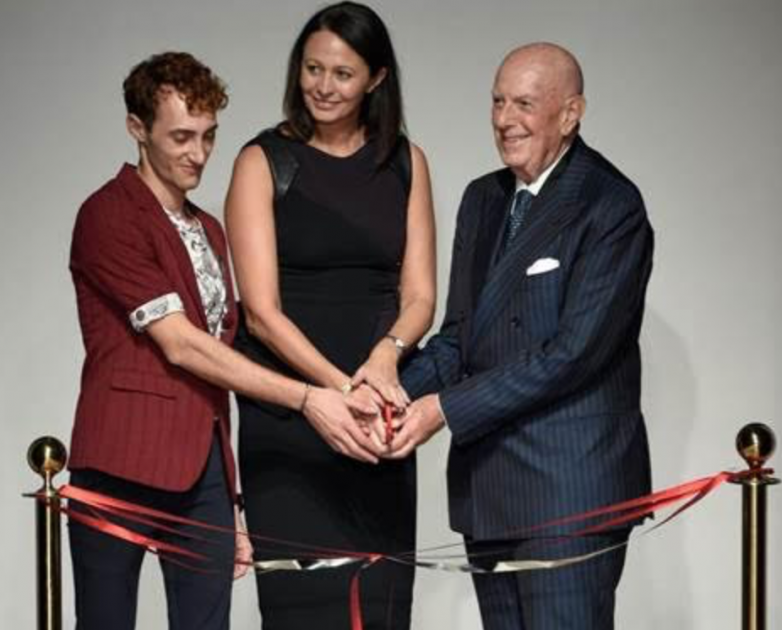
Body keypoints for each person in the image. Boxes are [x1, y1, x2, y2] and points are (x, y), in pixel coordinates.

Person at [67, 51, 373, 630]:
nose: (199, 154)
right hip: (121, 463)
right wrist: (307, 397)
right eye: (181, 137)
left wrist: (230, 500)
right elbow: (181, 345)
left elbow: (219, 365)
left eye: (208, 136)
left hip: (202, 473)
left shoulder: (209, 229)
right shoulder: (108, 215)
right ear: (137, 129)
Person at [390, 43, 654, 630]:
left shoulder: (610, 205)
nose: (505, 119)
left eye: (524, 104)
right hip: (489, 492)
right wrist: (388, 393)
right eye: (498, 102)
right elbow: (459, 338)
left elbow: (572, 355)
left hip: (568, 492)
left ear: (571, 113)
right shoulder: (483, 199)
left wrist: (443, 409)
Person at [224, 2, 436, 628]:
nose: (322, 86)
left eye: (342, 73)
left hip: (377, 413)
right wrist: (338, 390)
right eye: (312, 68)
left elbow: (420, 296)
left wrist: (384, 359)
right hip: (292, 417)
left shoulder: (406, 162)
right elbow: (260, 315)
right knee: (303, 609)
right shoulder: (262, 160)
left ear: (376, 78)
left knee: (382, 606)